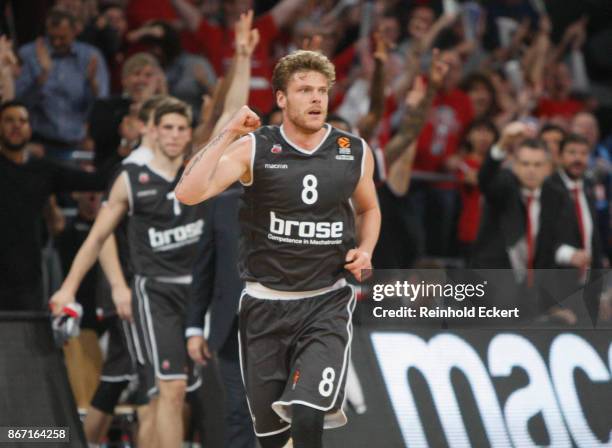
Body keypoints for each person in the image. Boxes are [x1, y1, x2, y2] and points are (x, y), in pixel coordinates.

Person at [175, 50, 380, 448]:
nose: (317, 98)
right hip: (263, 306)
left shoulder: (352, 150)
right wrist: (228, 133)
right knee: (273, 440)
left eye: (322, 90)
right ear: (281, 98)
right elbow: (188, 193)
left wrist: (366, 248)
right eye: (305, 90)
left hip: (325, 303)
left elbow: (369, 208)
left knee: (306, 412)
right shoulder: (255, 148)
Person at [50, 98, 204, 448]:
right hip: (149, 293)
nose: (175, 135)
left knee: (169, 395)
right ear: (151, 130)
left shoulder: (199, 169)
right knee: (160, 389)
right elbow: (98, 237)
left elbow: (227, 116)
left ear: (190, 133)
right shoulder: (130, 172)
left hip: (196, 294)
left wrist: (241, 58)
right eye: (167, 127)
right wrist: (72, 288)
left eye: (182, 128)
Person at [0, 100, 115, 311]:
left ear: (30, 128)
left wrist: (123, 147)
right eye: (9, 120)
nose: (16, 125)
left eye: (22, 121)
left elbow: (98, 181)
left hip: (27, 275)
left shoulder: (43, 170)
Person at [186, 184, 256, 448]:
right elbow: (204, 268)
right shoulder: (221, 204)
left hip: (279, 325)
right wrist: (194, 328)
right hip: (231, 326)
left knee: (281, 410)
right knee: (238, 409)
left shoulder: (291, 198)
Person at [15, 8, 109, 157]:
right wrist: (42, 76)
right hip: (39, 143)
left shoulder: (91, 56)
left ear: (75, 31)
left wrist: (93, 84)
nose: (57, 43)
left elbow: (102, 105)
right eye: (52, 37)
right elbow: (18, 104)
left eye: (63, 37)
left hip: (78, 143)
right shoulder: (29, 54)